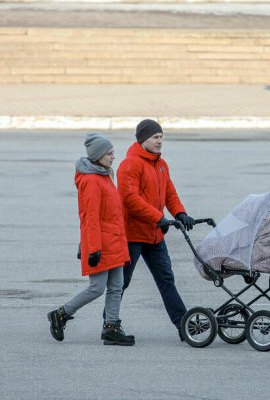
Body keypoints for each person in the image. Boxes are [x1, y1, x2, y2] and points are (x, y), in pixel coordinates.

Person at [48, 133, 134, 346]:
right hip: (101, 244)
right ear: (98, 156)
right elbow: (90, 217)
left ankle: (111, 327)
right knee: (97, 287)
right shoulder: (91, 181)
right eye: (110, 153)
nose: (114, 156)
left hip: (113, 242)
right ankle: (61, 314)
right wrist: (92, 248)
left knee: (117, 286)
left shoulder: (104, 175)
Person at [116, 119, 195, 340]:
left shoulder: (161, 164)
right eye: (155, 137)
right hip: (132, 235)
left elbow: (170, 192)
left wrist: (180, 213)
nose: (160, 141)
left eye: (161, 137)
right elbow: (130, 199)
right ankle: (109, 323)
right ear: (142, 139)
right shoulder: (129, 165)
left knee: (166, 279)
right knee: (121, 283)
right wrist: (158, 217)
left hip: (155, 235)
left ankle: (183, 325)